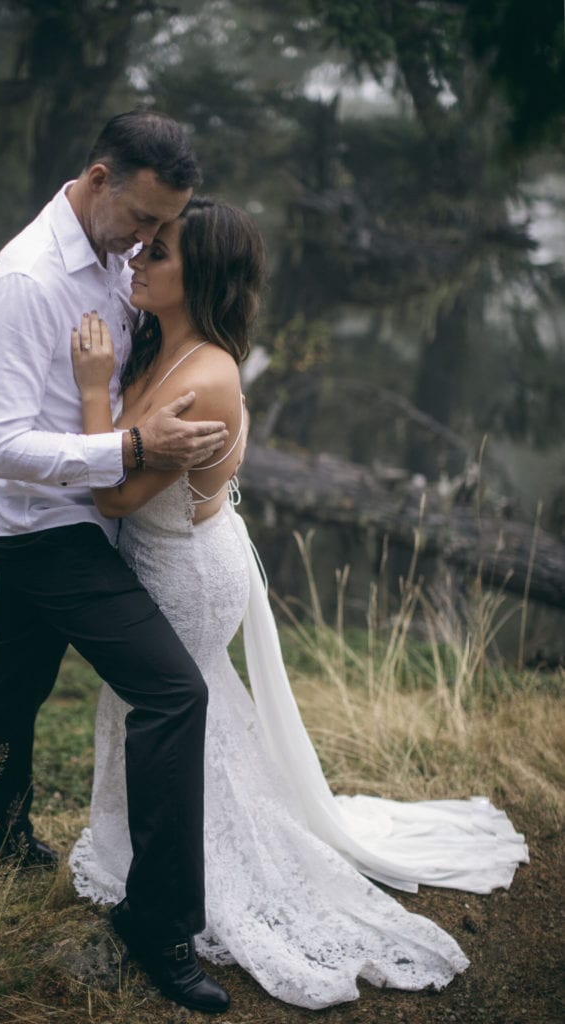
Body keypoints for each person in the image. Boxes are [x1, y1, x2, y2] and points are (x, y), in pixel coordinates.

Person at [67, 197, 529, 1010]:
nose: (136, 259)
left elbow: (111, 496)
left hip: (182, 571)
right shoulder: (161, 342)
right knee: (177, 718)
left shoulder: (206, 376)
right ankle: (144, 857)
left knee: (179, 723)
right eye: (142, 247)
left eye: (159, 253)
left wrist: (91, 390)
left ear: (200, 276)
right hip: (163, 561)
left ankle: (201, 883)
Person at [0, 111, 233, 1014]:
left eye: (163, 231)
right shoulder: (23, 282)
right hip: (40, 522)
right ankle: (158, 927)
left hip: (90, 513)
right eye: (144, 220)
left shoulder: (119, 258)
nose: (149, 243)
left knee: (18, 678)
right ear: (98, 177)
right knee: (172, 694)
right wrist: (124, 451)